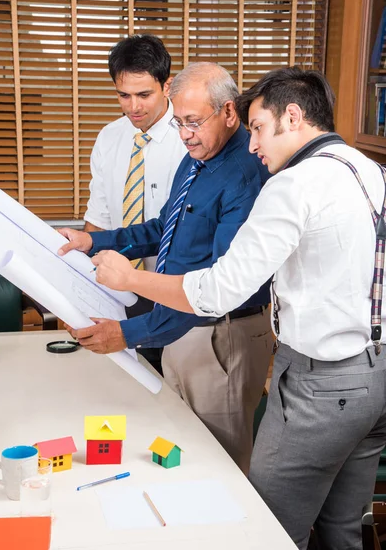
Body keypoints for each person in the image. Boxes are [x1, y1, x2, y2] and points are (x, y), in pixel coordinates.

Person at [91, 66, 386, 550]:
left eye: (259, 128)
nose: (253, 146)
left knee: (264, 529)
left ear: (293, 117)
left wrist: (130, 278)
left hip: (320, 382)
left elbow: (220, 291)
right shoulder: (370, 170)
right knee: (341, 529)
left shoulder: (293, 185)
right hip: (375, 377)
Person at [59, 62, 273, 474]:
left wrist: (126, 334)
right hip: (178, 324)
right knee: (180, 447)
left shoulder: (247, 174)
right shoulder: (197, 157)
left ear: (229, 112)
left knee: (218, 463)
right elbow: (165, 228)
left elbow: (216, 289)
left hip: (220, 334)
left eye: (193, 122)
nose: (185, 134)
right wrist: (94, 240)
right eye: (178, 123)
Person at [83, 33, 186, 373]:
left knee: (173, 401)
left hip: (174, 294)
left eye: (144, 94)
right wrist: (84, 283)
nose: (133, 107)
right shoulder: (109, 137)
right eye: (123, 95)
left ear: (167, 85)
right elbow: (98, 217)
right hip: (117, 292)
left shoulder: (191, 140)